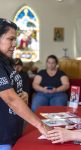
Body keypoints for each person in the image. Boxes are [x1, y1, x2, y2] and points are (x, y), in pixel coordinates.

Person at [0, 18, 50, 150]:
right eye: (10, 39)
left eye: (14, 39)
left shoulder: (7, 61)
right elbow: (10, 98)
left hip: (13, 129)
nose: (14, 44)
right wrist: (40, 125)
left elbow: (12, 92)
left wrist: (23, 95)